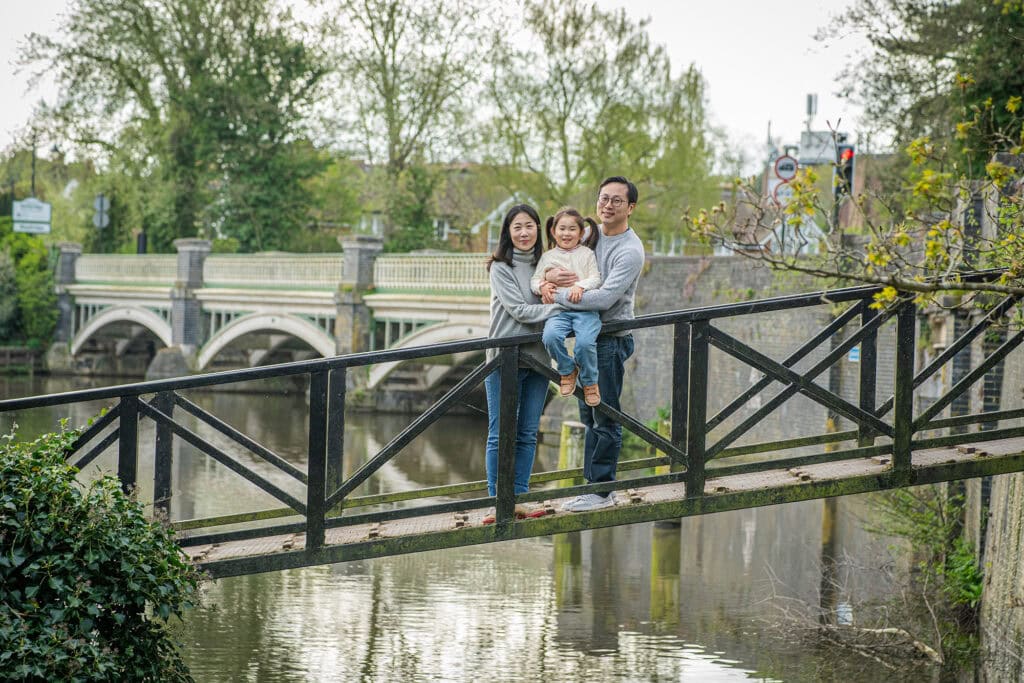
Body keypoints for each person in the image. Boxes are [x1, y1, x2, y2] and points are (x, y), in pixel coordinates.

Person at [539, 177, 646, 513]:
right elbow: (559, 261)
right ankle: (592, 488)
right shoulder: (589, 235)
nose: (607, 205)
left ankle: (602, 491)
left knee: (606, 415)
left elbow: (603, 299)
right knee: (588, 414)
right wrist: (547, 279)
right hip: (585, 336)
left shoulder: (630, 250)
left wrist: (552, 295)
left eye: (616, 200)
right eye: (603, 198)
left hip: (610, 340)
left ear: (630, 208)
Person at [482, 203, 560, 524]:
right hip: (504, 359)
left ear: (538, 230)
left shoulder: (547, 266)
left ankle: (521, 498)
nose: (524, 233)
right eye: (517, 227)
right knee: (501, 433)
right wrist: (561, 311)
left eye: (529, 226)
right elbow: (519, 311)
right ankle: (497, 501)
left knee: (528, 432)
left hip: (538, 360)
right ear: (508, 232)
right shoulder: (501, 267)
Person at [531, 207, 603, 406]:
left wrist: (580, 285)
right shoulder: (548, 257)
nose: (566, 233)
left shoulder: (586, 254)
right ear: (554, 231)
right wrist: (543, 285)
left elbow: (595, 279)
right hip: (558, 312)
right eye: (562, 229)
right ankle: (567, 369)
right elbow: (534, 281)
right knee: (550, 337)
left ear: (581, 233)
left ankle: (589, 382)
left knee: (585, 345)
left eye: (572, 229)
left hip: (586, 312)